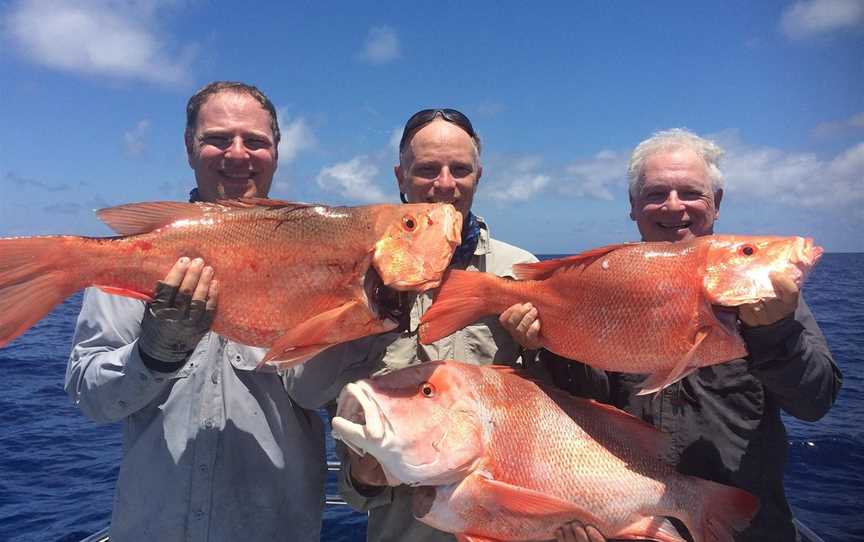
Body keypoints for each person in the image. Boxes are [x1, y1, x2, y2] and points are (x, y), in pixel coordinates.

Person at [504, 128, 843, 542]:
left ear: (716, 203)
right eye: (656, 193)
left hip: (743, 527)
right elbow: (585, 408)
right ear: (633, 207)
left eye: (690, 192)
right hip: (630, 527)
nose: (673, 206)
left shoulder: (765, 295)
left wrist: (774, 332)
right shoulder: (605, 282)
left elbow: (815, 402)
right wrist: (547, 347)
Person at [65, 81, 327, 541]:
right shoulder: (137, 254)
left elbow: (326, 394)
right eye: (218, 139)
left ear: (278, 152)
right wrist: (153, 354)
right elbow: (91, 398)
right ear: (189, 148)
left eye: (255, 141)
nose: (238, 154)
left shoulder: (317, 259)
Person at [286, 108, 538, 542]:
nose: (444, 184)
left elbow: (556, 415)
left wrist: (538, 347)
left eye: (460, 169)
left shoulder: (520, 272)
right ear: (400, 177)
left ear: (479, 175)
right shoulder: (354, 273)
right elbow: (306, 390)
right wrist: (356, 315)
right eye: (426, 170)